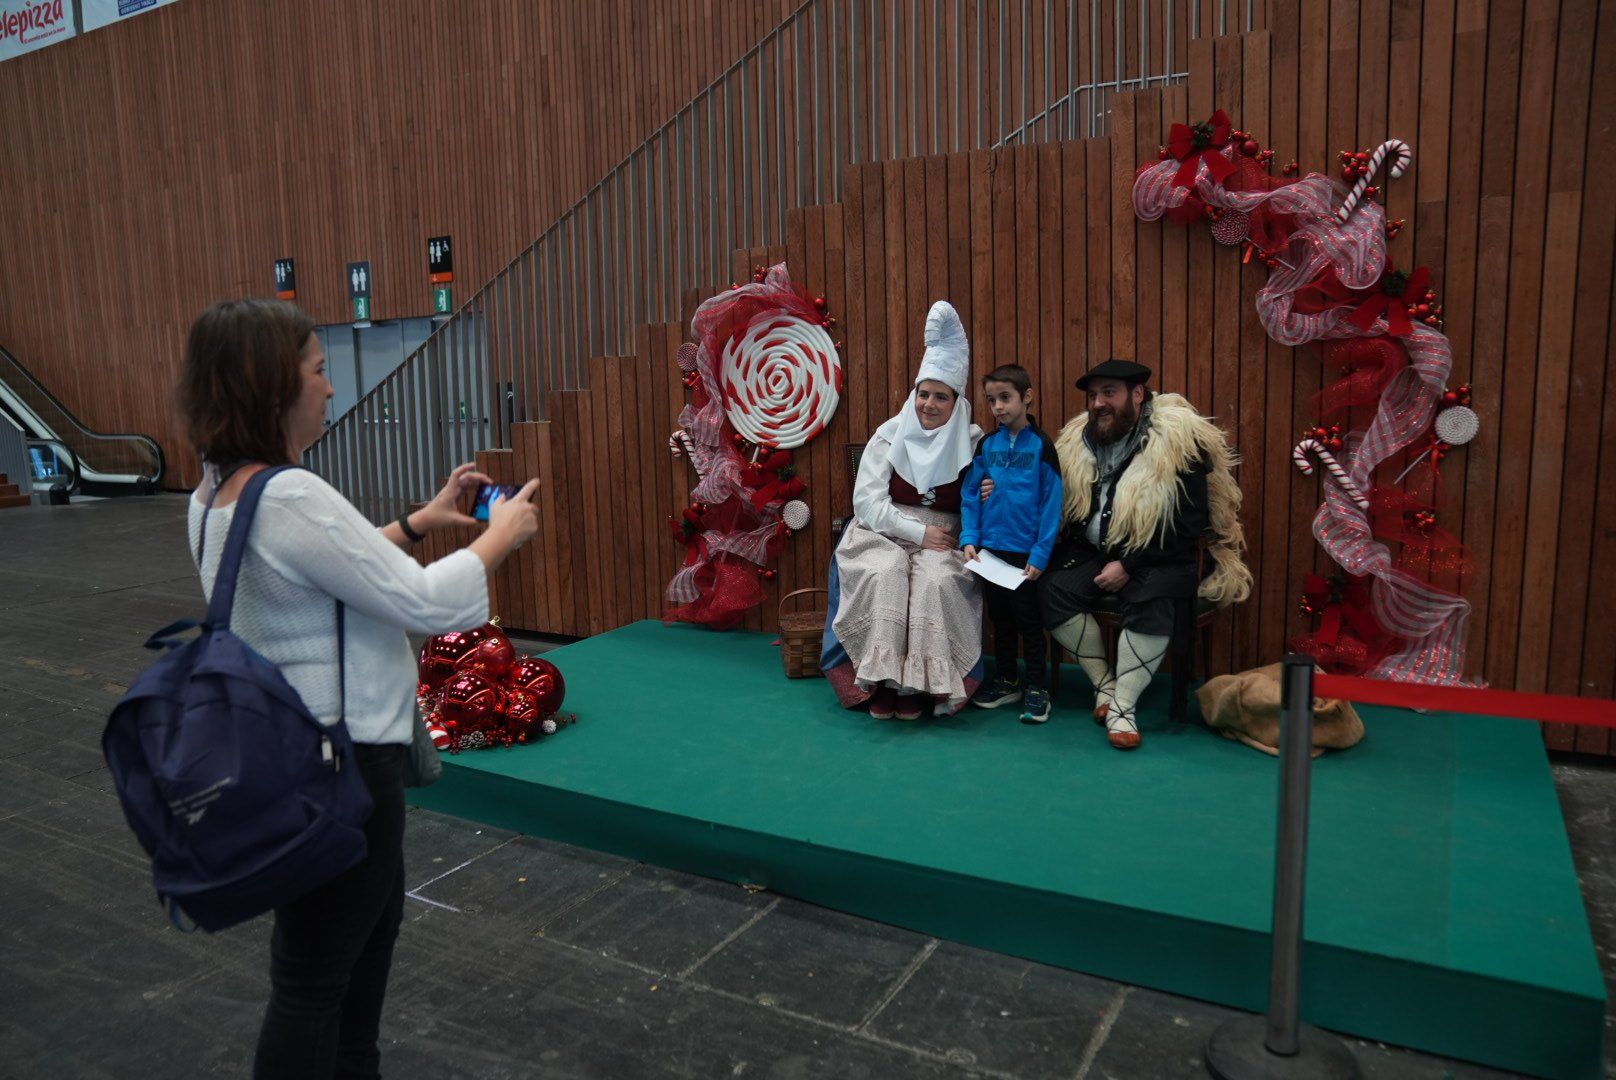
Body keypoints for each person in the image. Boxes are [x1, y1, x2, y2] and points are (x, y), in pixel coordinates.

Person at [176, 298, 539, 1079]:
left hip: (293, 757)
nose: (331, 388)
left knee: (349, 952)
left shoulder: (214, 496)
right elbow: (419, 603)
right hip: (344, 768)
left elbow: (326, 571)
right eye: (318, 370)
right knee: (315, 979)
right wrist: (498, 537)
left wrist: (422, 521)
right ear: (270, 385)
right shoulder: (291, 494)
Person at [1038, 359, 1251, 750]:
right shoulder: (1077, 442)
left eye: (1109, 393)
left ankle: (1123, 706)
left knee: (1150, 599)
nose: (1099, 402)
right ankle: (1105, 684)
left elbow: (1190, 522)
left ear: (1137, 395)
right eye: (1093, 395)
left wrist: (1129, 564)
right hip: (1095, 551)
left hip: (1161, 555)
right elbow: (1052, 495)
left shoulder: (1178, 440)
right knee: (1052, 589)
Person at [822, 300, 984, 718]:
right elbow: (867, 502)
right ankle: (881, 681)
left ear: (956, 402)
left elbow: (984, 501)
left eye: (940, 397)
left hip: (946, 538)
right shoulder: (889, 435)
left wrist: (990, 492)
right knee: (887, 573)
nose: (929, 404)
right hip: (882, 530)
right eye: (923, 394)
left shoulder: (975, 441)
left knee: (935, 582)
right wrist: (915, 534)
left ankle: (920, 687)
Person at [959, 364, 1063, 723]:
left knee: (1029, 622)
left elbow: (1052, 504)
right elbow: (970, 493)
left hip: (1025, 555)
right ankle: (1007, 680)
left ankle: (1037, 687)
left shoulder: (1042, 446)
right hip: (990, 552)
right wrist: (970, 537)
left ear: (1027, 397)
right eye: (992, 400)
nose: (999, 407)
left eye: (1006, 397)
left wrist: (1040, 553)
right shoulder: (987, 445)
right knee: (1000, 620)